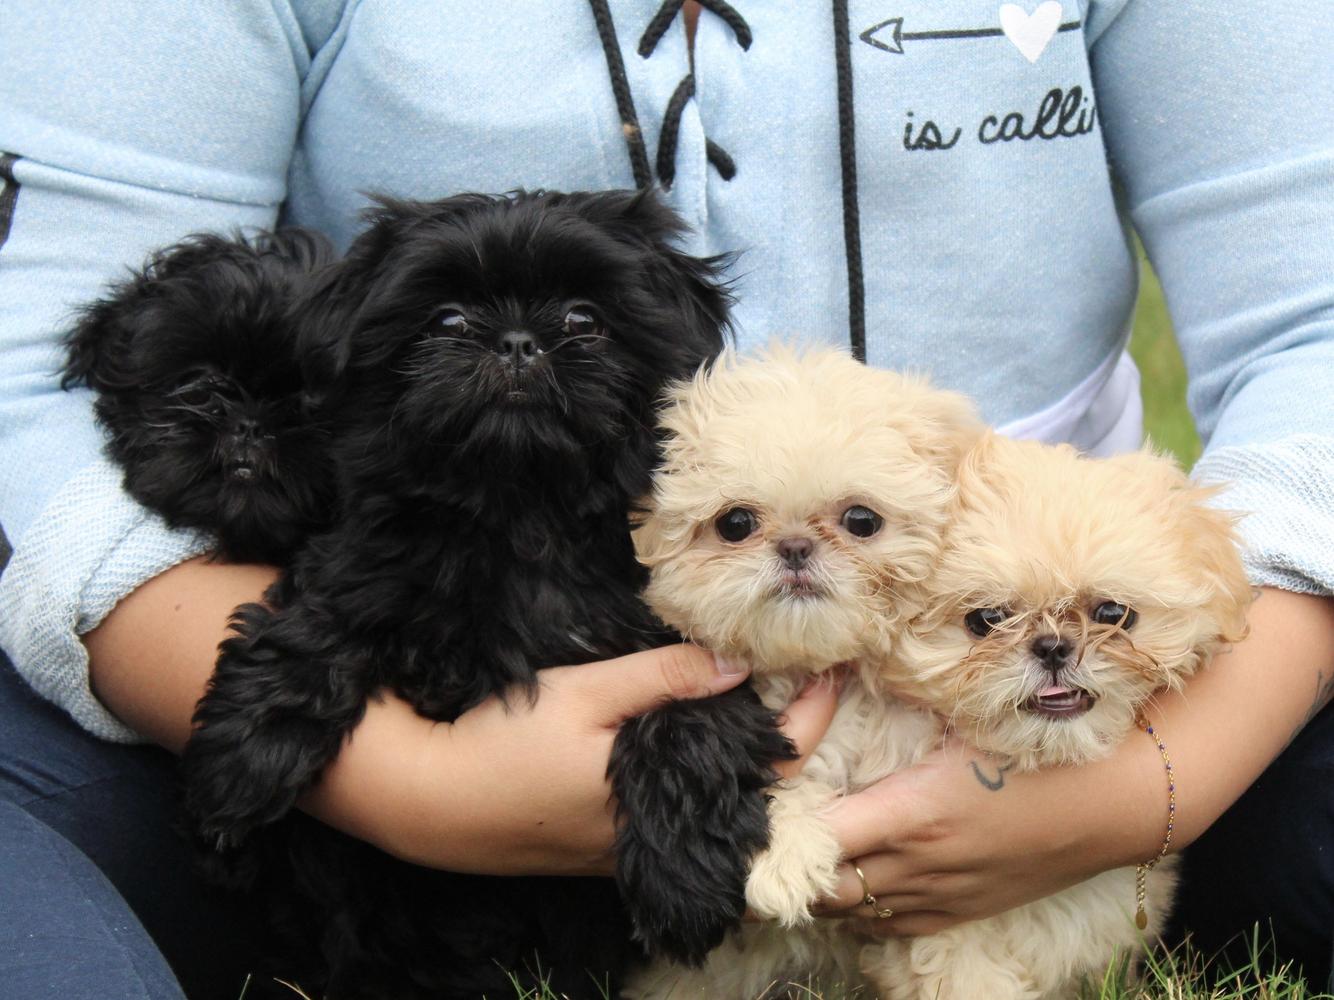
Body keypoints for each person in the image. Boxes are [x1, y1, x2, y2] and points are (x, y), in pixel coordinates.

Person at [1, 1, 1331, 996]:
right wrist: (405, 780)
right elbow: (39, 371)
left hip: (1064, 651)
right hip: (369, 646)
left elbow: (1314, 329)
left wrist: (1162, 776)